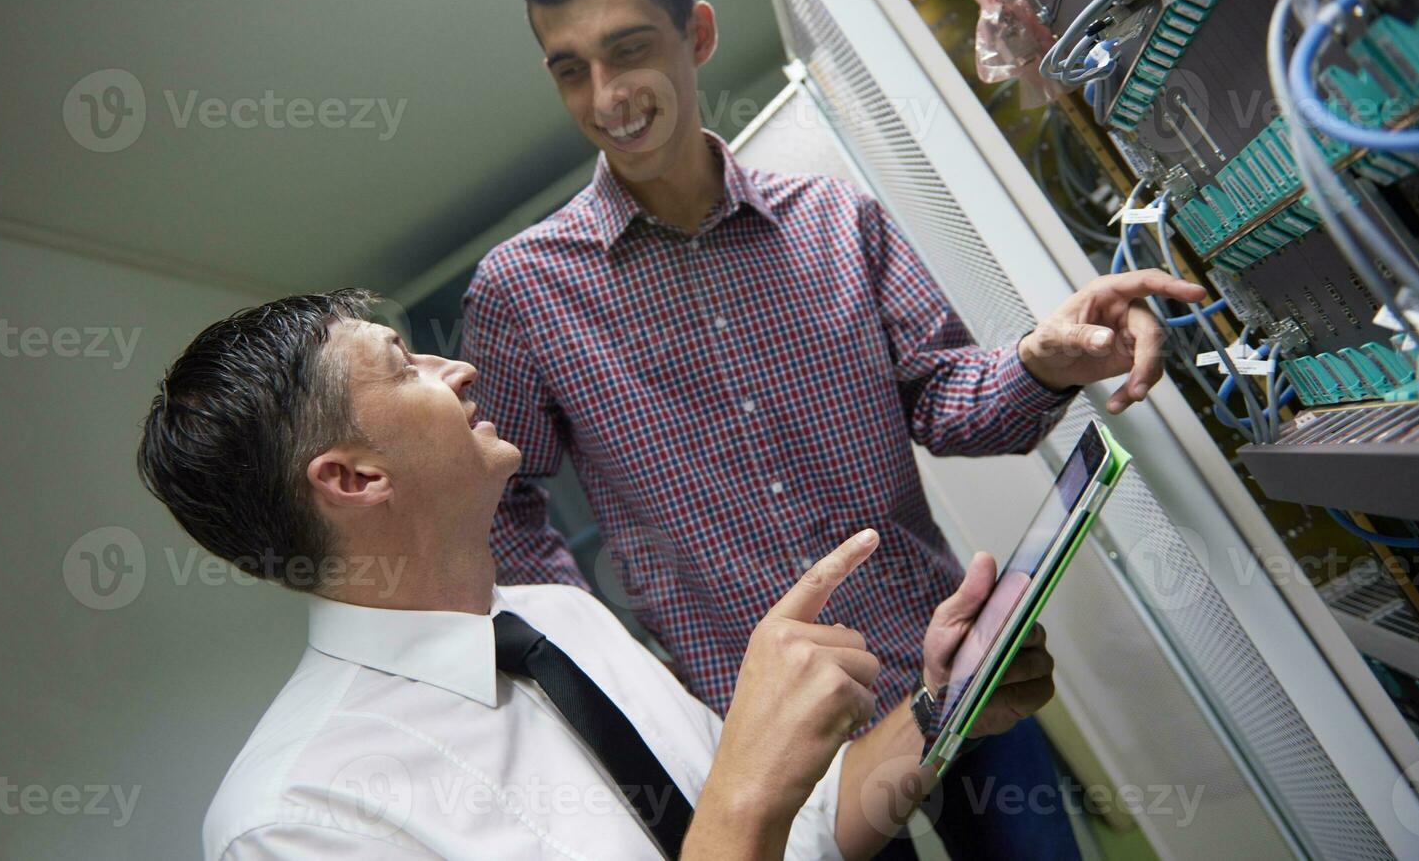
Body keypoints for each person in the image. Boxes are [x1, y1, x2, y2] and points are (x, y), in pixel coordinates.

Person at [460, 0, 1209, 859]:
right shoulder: (523, 291)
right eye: (572, 68)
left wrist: (1035, 362)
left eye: (628, 49)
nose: (606, 95)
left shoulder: (834, 221)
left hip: (948, 661)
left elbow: (941, 395)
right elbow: (496, 504)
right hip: (770, 736)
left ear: (695, 34)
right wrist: (612, 657)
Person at [136, 290, 1056, 860]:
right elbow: (742, 820)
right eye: (404, 366)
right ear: (354, 477)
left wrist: (943, 706)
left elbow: (804, 834)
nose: (455, 369)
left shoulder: (558, 621)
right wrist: (742, 792)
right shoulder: (296, 819)